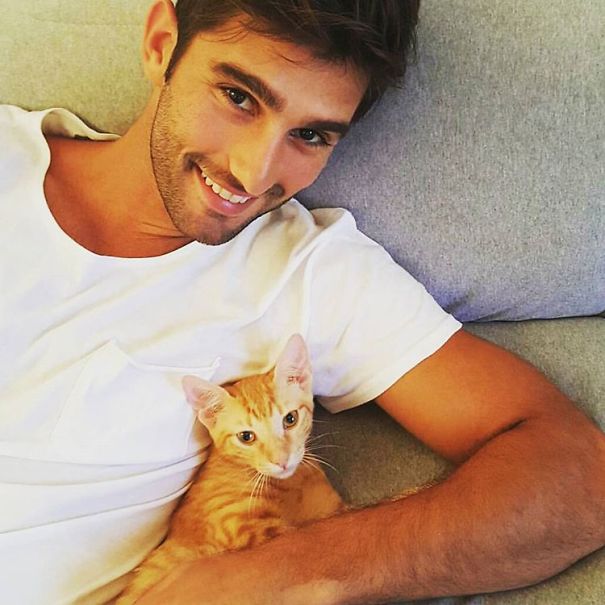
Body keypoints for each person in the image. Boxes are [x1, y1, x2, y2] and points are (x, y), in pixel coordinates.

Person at [0, 0, 603, 603]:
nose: (253, 173)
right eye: (238, 97)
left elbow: (576, 475)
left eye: (310, 135)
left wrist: (269, 575)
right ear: (162, 44)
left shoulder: (313, 270)